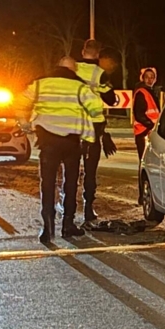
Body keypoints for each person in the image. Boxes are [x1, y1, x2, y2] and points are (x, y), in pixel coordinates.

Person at [17, 57, 103, 244]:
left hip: (47, 142)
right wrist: (92, 125)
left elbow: (19, 101)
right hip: (72, 142)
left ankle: (47, 228)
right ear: (73, 70)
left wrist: (24, 122)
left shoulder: (40, 84)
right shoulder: (80, 87)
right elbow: (97, 108)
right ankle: (68, 225)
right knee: (70, 183)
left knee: (47, 184)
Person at [74, 39, 118, 223]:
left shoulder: (72, 69)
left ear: (83, 51)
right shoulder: (100, 73)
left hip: (73, 125)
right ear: (98, 54)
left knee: (71, 169)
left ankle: (67, 206)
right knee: (90, 171)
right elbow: (110, 99)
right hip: (93, 127)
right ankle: (88, 208)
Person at [133, 67, 160, 161]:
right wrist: (152, 125)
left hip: (149, 131)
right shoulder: (142, 93)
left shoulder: (151, 92)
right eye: (147, 77)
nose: (149, 79)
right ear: (143, 78)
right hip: (144, 131)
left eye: (152, 77)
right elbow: (139, 114)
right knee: (145, 161)